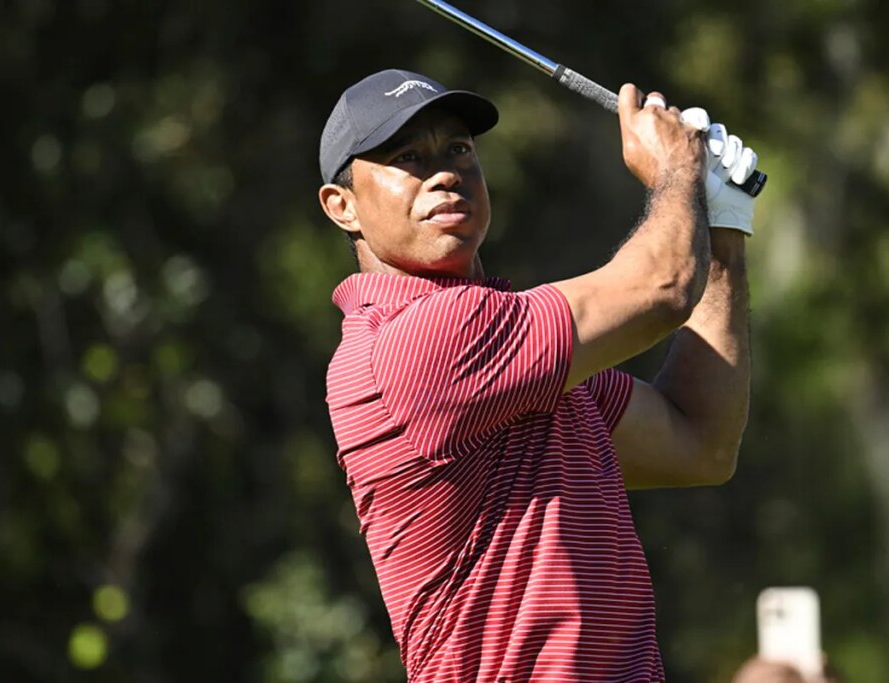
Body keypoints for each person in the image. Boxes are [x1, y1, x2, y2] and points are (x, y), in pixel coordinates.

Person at [317, 68, 760, 682]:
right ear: (342, 207)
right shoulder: (414, 343)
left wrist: (723, 229)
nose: (444, 173)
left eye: (459, 149)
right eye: (407, 158)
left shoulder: (522, 359)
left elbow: (700, 442)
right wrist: (678, 170)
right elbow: (664, 286)